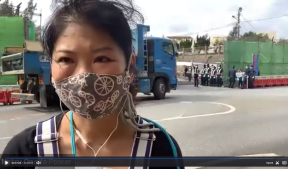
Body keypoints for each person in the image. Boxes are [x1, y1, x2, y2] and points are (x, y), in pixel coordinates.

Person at [2, 1, 183, 169]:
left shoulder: (161, 149)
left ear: (129, 65)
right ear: (51, 65)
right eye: (66, 59)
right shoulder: (24, 151)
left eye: (102, 58)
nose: (83, 76)